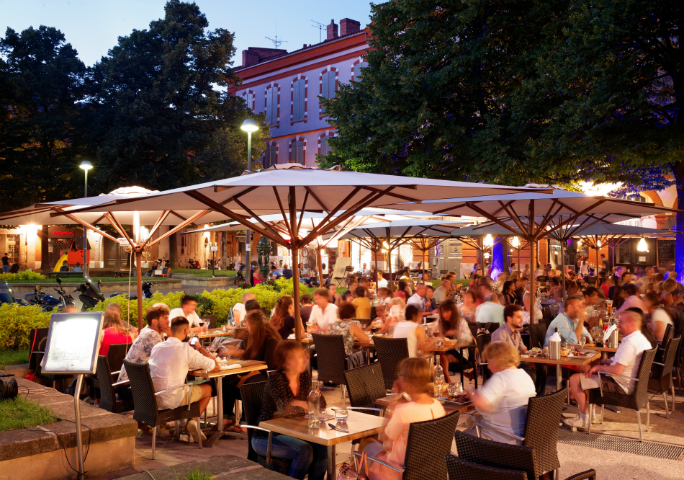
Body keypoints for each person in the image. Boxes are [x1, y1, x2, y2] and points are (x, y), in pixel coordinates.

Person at [564, 308, 653, 429]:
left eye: (621, 322)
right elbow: (627, 362)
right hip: (632, 383)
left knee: (575, 379)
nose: (618, 325)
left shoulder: (630, 343)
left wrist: (599, 367)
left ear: (631, 323)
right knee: (590, 375)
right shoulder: (642, 340)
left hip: (621, 385)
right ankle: (592, 415)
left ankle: (584, 419)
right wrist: (607, 361)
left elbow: (617, 370)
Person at [360, 357, 445, 480]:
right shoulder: (437, 405)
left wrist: (393, 403)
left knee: (365, 443)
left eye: (400, 375)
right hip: (428, 470)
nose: (398, 378)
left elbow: (384, 438)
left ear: (409, 382)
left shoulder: (403, 411)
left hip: (398, 472)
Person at [254, 340, 327, 480]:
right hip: (267, 436)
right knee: (304, 451)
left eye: (303, 355)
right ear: (285, 361)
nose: (305, 359)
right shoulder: (276, 379)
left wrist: (300, 403)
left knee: (323, 447)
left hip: (294, 432)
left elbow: (321, 404)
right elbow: (284, 411)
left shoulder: (304, 376)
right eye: (298, 356)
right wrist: (307, 406)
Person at [149, 316, 219, 442]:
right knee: (208, 387)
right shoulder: (185, 349)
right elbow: (215, 366)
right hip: (172, 398)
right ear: (186, 331)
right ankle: (191, 422)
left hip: (153, 398)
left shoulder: (157, 347)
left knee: (191, 384)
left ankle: (186, 426)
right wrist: (199, 347)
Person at [464, 341, 536, 444]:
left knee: (460, 437)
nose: (488, 367)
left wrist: (471, 392)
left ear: (497, 358)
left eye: (489, 362)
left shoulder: (500, 378)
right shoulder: (525, 375)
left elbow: (482, 403)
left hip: (498, 439)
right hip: (522, 438)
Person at [223, 310, 282, 431]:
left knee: (251, 382)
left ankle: (247, 421)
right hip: (253, 372)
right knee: (227, 378)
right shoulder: (254, 338)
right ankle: (227, 416)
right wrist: (236, 353)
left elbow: (267, 367)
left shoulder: (271, 340)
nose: (246, 327)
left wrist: (245, 377)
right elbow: (251, 358)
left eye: (248, 324)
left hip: (268, 376)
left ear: (255, 325)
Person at [493, 305, 546, 396]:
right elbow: (501, 357)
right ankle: (529, 400)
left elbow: (523, 349)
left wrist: (532, 359)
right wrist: (526, 361)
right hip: (505, 367)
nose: (522, 319)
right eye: (518, 317)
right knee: (530, 371)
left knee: (542, 367)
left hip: (516, 363)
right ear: (509, 318)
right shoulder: (500, 334)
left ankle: (538, 399)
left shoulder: (516, 332)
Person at [117, 305, 171, 393]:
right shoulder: (152, 334)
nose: (168, 321)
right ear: (154, 321)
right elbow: (165, 359)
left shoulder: (147, 330)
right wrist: (171, 337)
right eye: (165, 318)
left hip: (127, 384)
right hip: (130, 387)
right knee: (169, 392)